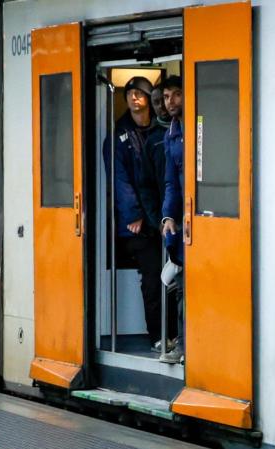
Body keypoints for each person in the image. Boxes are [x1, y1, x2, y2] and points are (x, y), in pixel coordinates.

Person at [109, 77, 171, 357]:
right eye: (130, 94)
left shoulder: (162, 131)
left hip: (163, 218)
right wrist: (134, 215)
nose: (134, 98)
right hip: (139, 226)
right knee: (153, 279)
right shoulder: (119, 136)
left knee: (170, 278)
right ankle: (159, 336)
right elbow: (119, 180)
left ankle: (174, 334)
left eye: (140, 94)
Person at [158, 75, 185, 362]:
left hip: (200, 215)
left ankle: (184, 347)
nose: (171, 102)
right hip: (182, 220)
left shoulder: (195, 126)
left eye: (176, 95)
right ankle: (182, 347)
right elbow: (170, 181)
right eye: (167, 97)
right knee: (181, 284)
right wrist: (168, 216)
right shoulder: (171, 133)